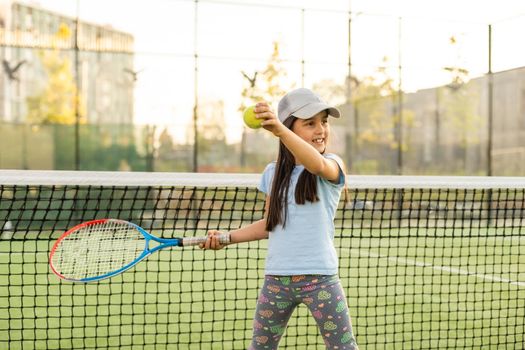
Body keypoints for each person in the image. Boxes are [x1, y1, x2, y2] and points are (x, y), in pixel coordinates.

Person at [200, 88, 359, 350]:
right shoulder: (273, 173)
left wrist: (279, 132)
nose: (321, 129)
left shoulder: (332, 163)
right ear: (291, 127)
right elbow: (269, 224)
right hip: (276, 282)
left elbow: (316, 165)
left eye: (324, 121)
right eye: (310, 123)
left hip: (320, 280)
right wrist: (226, 237)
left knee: (344, 347)